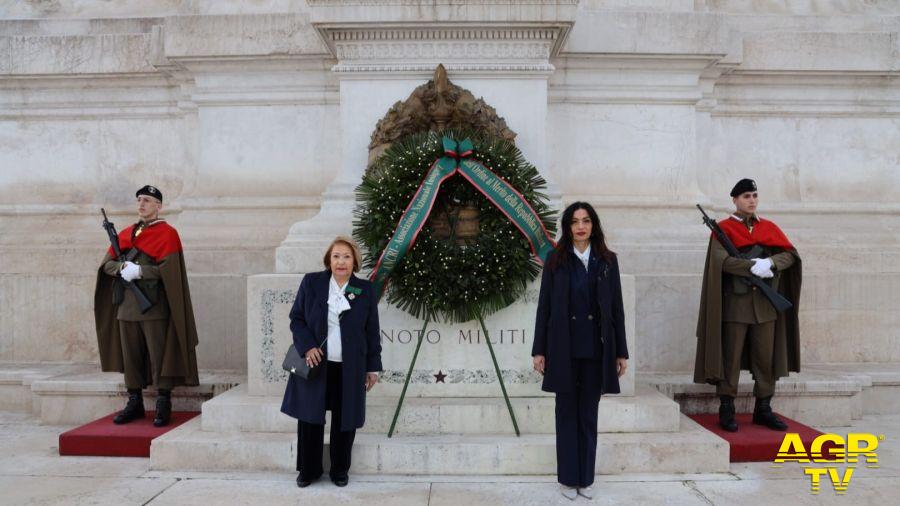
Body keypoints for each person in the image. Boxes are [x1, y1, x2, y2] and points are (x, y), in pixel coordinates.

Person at [532, 202, 628, 501]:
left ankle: (585, 479)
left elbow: (617, 309)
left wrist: (620, 352)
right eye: (574, 221)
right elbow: (544, 308)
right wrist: (539, 350)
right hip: (563, 348)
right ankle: (567, 479)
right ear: (567, 227)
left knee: (588, 414)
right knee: (566, 414)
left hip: (596, 350)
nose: (580, 226)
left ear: (593, 225)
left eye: (586, 220)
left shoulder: (608, 261)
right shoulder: (555, 261)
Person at [694, 178, 802, 432]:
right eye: (745, 196)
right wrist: (752, 266)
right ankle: (727, 407)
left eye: (754, 195)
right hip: (737, 307)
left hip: (765, 307)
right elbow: (722, 263)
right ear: (734, 200)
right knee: (730, 359)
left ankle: (763, 408)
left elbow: (790, 255)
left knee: (765, 359)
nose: (751, 200)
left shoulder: (769, 227)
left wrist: (771, 264)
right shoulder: (723, 229)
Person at [281, 236, 383, 488]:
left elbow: (372, 331)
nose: (341, 261)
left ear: (354, 262)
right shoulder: (312, 282)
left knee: (345, 419)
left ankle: (339, 470)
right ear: (329, 259)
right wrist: (307, 347)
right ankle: (309, 470)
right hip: (316, 364)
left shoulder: (365, 290)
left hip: (350, 367)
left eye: (347, 257)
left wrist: (373, 367)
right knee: (310, 418)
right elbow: (297, 319)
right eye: (336, 256)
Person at [94, 185, 199, 427]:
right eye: (139, 200)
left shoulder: (168, 233)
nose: (142, 204)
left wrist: (141, 271)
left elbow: (170, 272)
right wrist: (123, 268)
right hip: (126, 307)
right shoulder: (125, 234)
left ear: (159, 206)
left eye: (148, 200)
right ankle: (135, 401)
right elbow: (106, 265)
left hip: (154, 307)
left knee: (158, 354)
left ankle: (163, 402)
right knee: (130, 355)